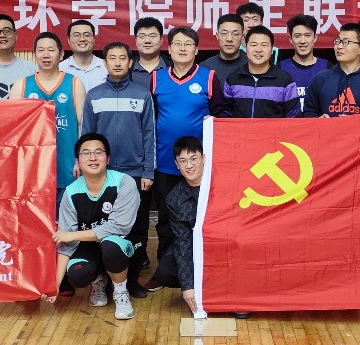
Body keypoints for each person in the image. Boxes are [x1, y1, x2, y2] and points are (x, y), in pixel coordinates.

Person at [146, 27, 226, 291]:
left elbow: (221, 113)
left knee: (204, 217)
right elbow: (150, 119)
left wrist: (215, 120)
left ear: (196, 49)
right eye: (177, 43)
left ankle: (207, 268)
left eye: (188, 44)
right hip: (166, 163)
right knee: (166, 219)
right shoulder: (156, 78)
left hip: (200, 166)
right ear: (168, 49)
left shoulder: (209, 77)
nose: (182, 48)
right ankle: (165, 269)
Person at [82, 42, 157, 298]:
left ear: (130, 62)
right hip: (102, 175)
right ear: (104, 63)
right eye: (112, 58)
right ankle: (104, 281)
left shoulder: (142, 94)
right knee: (103, 227)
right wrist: (88, 170)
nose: (117, 62)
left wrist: (148, 171)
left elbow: (149, 134)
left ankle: (131, 280)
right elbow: (87, 136)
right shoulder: (94, 95)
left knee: (137, 229)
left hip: (135, 174)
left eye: (122, 58)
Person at [45, 134, 141, 321]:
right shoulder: (71, 192)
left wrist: (73, 235)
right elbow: (65, 243)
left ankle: (121, 292)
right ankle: (99, 282)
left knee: (111, 246)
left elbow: (118, 227)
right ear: (78, 161)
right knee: (77, 273)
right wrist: (54, 285)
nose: (92, 158)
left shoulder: (124, 182)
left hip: (120, 244)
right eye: (86, 153)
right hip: (88, 246)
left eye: (98, 152)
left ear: (108, 158)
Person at [11, 32, 86, 204]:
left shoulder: (74, 84)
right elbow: (14, 132)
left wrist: (80, 160)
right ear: (34, 54)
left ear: (61, 54)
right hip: (32, 169)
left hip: (67, 168)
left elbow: (83, 128)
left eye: (51, 50)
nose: (46, 55)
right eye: (41, 50)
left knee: (66, 218)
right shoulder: (21, 86)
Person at [303, 24, 360, 117]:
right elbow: (309, 112)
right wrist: (319, 120)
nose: (339, 46)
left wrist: (355, 123)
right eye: (338, 41)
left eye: (346, 42)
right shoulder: (321, 79)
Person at [164, 136, 205, 314]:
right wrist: (187, 286)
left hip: (224, 245)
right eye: (183, 161)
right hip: (197, 248)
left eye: (193, 158)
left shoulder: (221, 184)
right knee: (165, 271)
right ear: (177, 164)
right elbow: (183, 242)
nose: (189, 165)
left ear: (203, 158)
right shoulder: (174, 198)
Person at [222, 27, 299, 118]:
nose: (258, 50)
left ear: (272, 50)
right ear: (246, 48)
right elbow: (225, 117)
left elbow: (294, 118)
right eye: (253, 45)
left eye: (264, 45)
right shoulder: (233, 79)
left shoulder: (285, 81)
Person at [279, 14, 329, 115]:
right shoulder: (279, 69)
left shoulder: (328, 69)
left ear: (315, 38)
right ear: (290, 39)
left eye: (307, 35)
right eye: (297, 36)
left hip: (319, 124)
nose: (302, 41)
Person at [60, 19, 107, 92]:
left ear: (94, 39)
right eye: (76, 35)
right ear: (68, 40)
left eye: (87, 35)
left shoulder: (107, 68)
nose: (82, 39)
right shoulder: (59, 69)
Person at [199, 14, 247, 79]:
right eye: (224, 33)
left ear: (242, 37)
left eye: (235, 34)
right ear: (217, 36)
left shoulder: (252, 65)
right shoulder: (204, 68)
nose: (229, 39)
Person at [130, 17, 169, 91]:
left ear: (161, 39)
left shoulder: (173, 68)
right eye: (142, 36)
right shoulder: (126, 69)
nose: (147, 41)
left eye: (152, 36)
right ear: (135, 40)